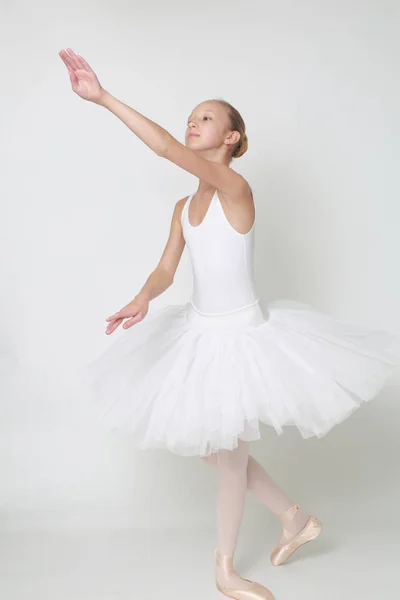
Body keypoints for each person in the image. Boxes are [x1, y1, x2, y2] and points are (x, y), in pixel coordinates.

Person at [60, 47, 400, 600]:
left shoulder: (236, 192)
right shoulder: (181, 207)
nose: (193, 121)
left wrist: (102, 98)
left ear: (233, 139)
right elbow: (168, 267)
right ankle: (294, 518)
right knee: (218, 449)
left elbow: (167, 149)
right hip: (198, 333)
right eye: (192, 115)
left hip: (244, 340)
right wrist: (142, 297)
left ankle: (225, 572)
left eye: (208, 117)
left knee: (228, 458)